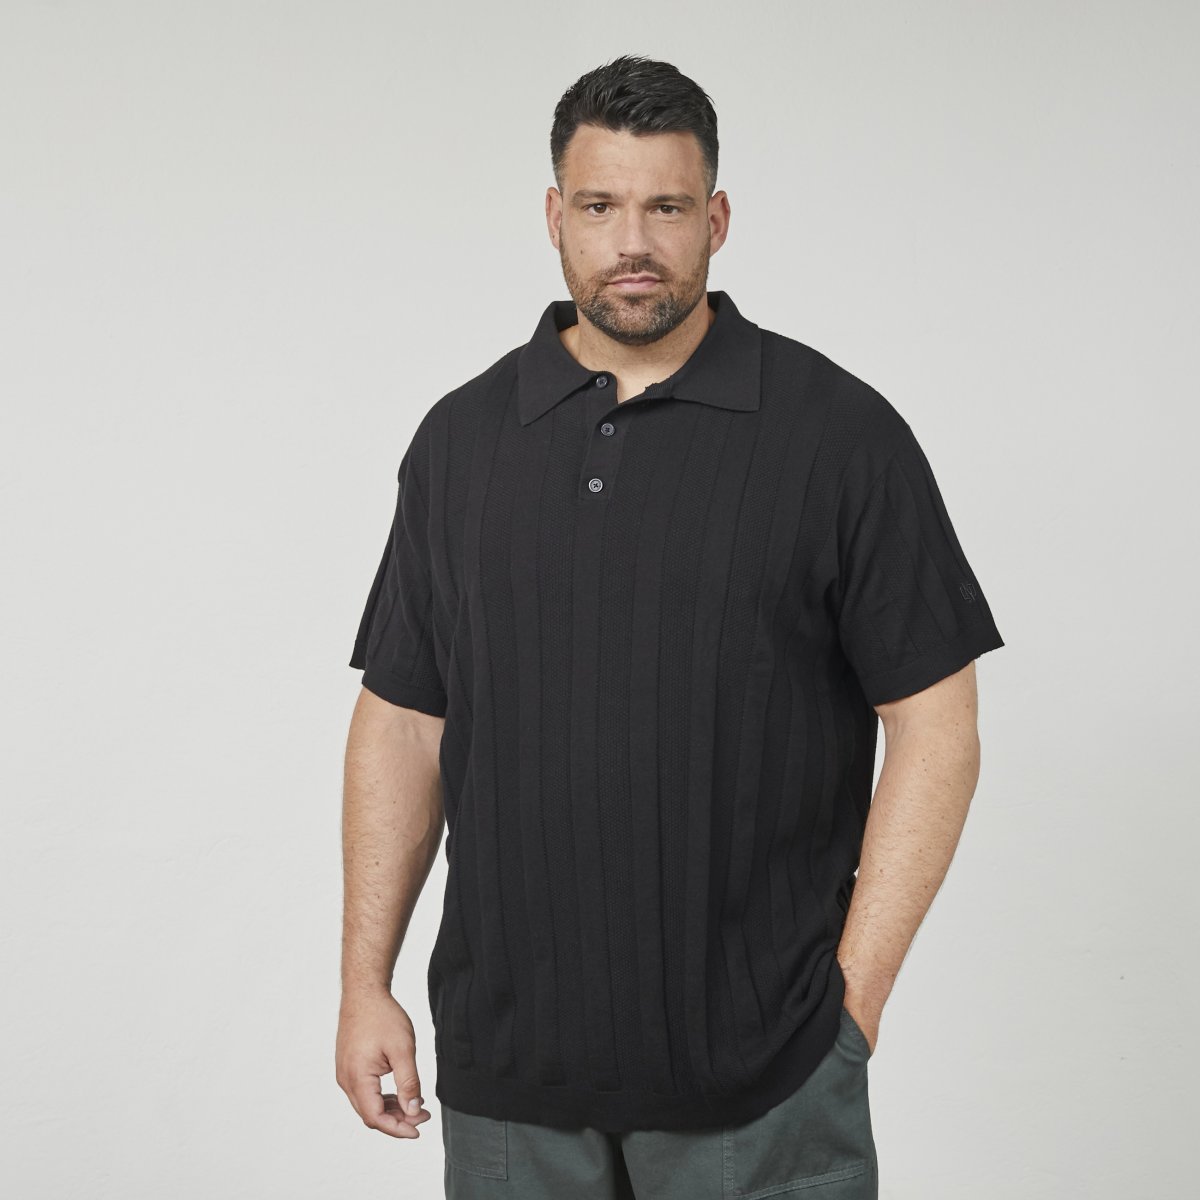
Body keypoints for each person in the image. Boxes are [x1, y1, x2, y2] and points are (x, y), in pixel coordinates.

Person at [335, 53, 1004, 1200]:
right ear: (555, 216)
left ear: (718, 220)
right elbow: (403, 719)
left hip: (763, 1082)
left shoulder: (838, 436)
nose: (632, 243)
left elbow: (936, 723)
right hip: (507, 1084)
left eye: (668, 208)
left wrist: (852, 1007)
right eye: (600, 207)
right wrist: (364, 981)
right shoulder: (461, 442)